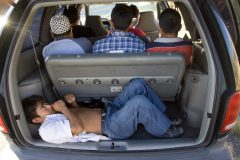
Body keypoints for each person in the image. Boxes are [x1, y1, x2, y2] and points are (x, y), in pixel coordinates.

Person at [23, 78, 183, 144]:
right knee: (138, 102)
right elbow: (78, 128)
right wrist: (64, 108)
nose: (48, 106)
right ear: (36, 120)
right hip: (111, 127)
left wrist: (74, 105)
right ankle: (165, 130)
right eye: (43, 108)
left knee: (137, 84)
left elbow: (80, 116)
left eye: (45, 104)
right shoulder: (46, 130)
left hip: (109, 110)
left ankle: (162, 117)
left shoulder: (53, 115)